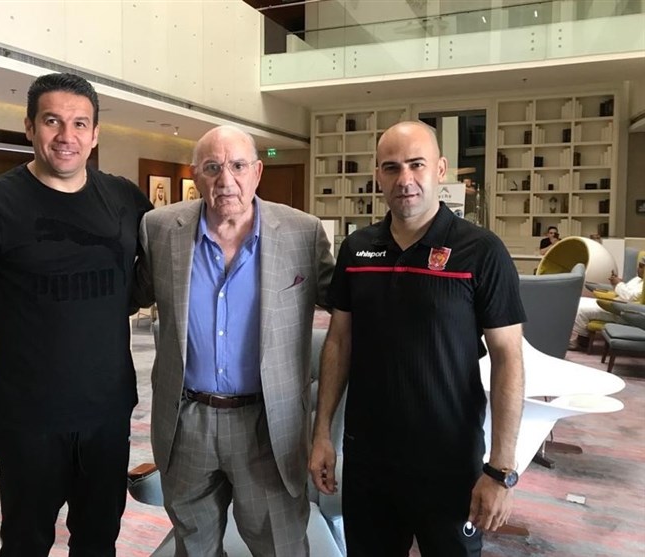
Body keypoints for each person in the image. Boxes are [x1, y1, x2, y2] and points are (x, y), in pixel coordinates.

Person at [0, 73, 152, 556]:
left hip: (107, 408)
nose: (66, 136)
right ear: (30, 127)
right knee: (25, 543)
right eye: (52, 121)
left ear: (95, 134)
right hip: (27, 415)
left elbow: (163, 266)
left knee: (99, 541)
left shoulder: (124, 199)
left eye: (80, 124)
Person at [309, 121, 525, 557]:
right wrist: (322, 434)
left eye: (416, 165)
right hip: (369, 459)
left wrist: (501, 471)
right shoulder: (357, 249)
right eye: (391, 168)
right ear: (378, 176)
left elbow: (508, 359)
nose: (404, 179)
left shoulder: (481, 251)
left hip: (450, 461)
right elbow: (339, 343)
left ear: (440, 169)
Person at [133, 125, 335, 556]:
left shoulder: (302, 233)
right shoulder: (160, 229)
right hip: (187, 421)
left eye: (238, 166)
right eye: (212, 167)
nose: (226, 180)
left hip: (269, 426)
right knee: (194, 547)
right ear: (196, 175)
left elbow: (349, 309)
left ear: (257, 172)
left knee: (280, 546)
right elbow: (125, 296)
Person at [569, 255, 644, 350]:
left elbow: (629, 297)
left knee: (581, 310)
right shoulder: (638, 279)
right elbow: (626, 291)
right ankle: (578, 337)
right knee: (579, 301)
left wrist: (618, 284)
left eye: (641, 266)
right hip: (615, 303)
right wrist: (616, 283)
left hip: (622, 311)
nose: (638, 268)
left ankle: (580, 342)